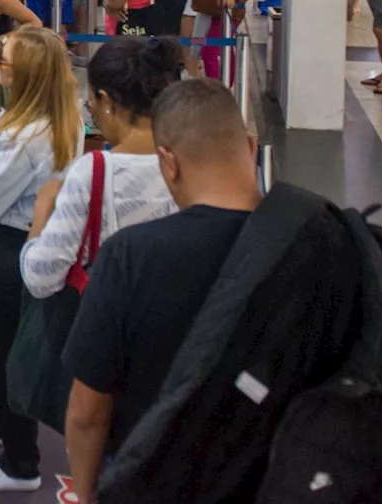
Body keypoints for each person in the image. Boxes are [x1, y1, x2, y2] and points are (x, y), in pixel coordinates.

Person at [61, 79, 266, 503]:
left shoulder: (130, 256)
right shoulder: (314, 243)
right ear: (251, 147)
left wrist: (85, 494)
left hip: (154, 478)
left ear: (167, 163)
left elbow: (87, 413)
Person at [0, 27, 82, 492]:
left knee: (8, 352)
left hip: (9, 246)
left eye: (4, 60)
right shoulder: (55, 117)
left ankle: (20, 462)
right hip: (25, 240)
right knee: (1, 344)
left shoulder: (25, 136)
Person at [20, 37, 181, 300]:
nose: (91, 111)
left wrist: (42, 212)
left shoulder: (93, 172)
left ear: (106, 101)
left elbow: (41, 277)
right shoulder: (188, 160)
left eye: (91, 104)